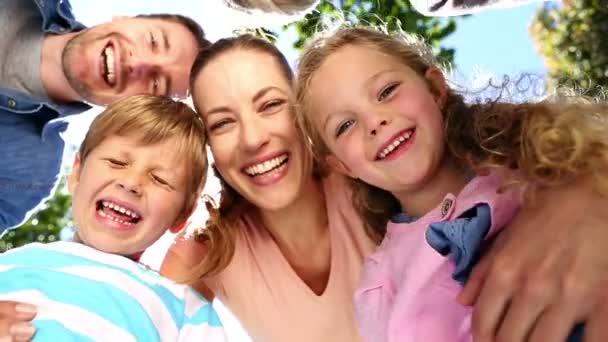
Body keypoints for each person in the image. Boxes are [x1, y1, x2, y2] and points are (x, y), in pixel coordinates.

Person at [295, 25, 605, 341]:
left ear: (435, 89)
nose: (375, 122)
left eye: (387, 91)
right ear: (342, 166)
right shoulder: (380, 283)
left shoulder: (539, 158)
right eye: (345, 125)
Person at [0, 95, 226, 342]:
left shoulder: (183, 308)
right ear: (76, 173)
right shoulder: (11, 263)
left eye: (160, 179)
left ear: (182, 215)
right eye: (116, 162)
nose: (130, 183)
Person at [0, 0, 209, 233]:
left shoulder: (29, 177)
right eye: (152, 41)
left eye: (155, 83)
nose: (136, 63)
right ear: (125, 18)